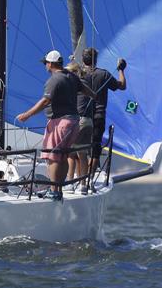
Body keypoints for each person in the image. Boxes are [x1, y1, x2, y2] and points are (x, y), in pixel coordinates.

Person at [16, 50, 80, 200]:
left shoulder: (54, 80)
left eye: (46, 63)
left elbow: (45, 101)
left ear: (50, 64)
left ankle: (54, 191)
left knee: (52, 156)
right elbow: (87, 90)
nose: (45, 65)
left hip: (60, 122)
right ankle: (59, 190)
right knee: (63, 156)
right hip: (74, 121)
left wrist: (27, 115)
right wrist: (94, 96)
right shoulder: (71, 76)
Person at [82, 47, 127, 177]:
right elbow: (122, 86)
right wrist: (121, 70)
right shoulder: (104, 74)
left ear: (82, 60)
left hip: (80, 117)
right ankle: (89, 179)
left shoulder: (77, 74)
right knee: (95, 148)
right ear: (96, 60)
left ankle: (80, 178)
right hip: (98, 116)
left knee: (78, 149)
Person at [65, 62, 93, 195]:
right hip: (88, 122)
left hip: (77, 121)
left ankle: (70, 184)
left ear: (73, 73)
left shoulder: (73, 86)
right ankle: (83, 185)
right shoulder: (86, 83)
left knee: (70, 155)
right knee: (82, 154)